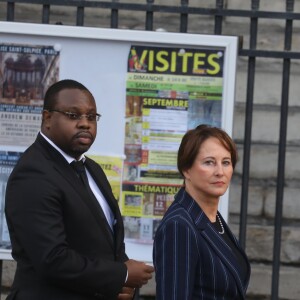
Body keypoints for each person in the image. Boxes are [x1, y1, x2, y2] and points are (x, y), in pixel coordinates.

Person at [5, 79, 154, 300]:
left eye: (91, 117)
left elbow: (108, 240)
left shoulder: (91, 168)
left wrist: (120, 287)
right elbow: (53, 259)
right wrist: (121, 275)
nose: (85, 123)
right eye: (73, 115)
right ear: (47, 119)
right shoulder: (33, 174)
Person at [153, 124, 251, 300]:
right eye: (209, 162)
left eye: (226, 162)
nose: (220, 172)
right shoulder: (179, 226)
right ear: (186, 169)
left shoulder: (211, 218)